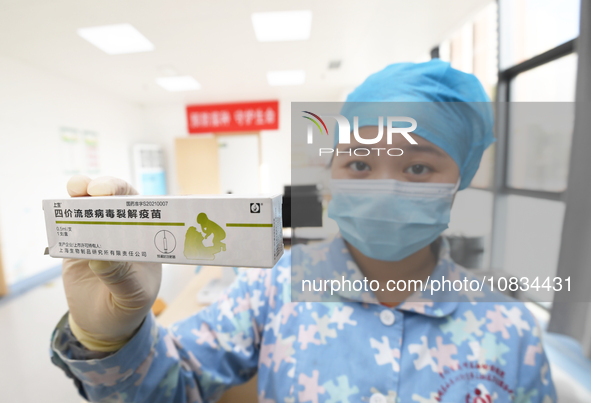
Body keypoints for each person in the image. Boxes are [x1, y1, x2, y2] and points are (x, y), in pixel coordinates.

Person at [50, 60, 556, 402]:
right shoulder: (275, 288)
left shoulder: (508, 331)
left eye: (418, 168)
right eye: (359, 163)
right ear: (332, 175)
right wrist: (111, 339)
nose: (383, 188)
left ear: (461, 179)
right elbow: (172, 390)